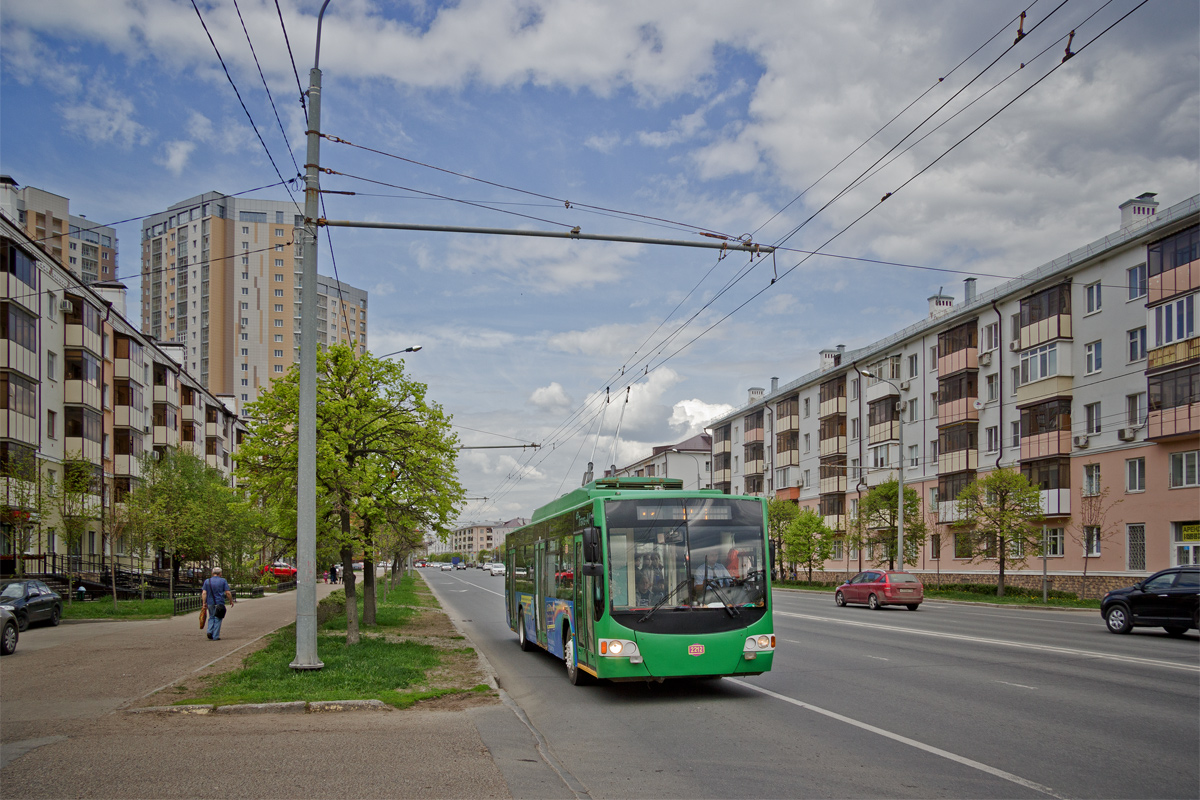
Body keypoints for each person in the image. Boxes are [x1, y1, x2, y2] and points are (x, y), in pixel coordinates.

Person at [201, 566, 234, 641]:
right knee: (218, 618)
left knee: (211, 617)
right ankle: (215, 636)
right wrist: (231, 600)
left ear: (212, 573)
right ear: (220, 573)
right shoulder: (223, 581)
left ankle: (209, 631)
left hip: (210, 602)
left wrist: (204, 603)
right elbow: (228, 592)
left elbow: (204, 593)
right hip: (220, 602)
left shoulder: (207, 581)